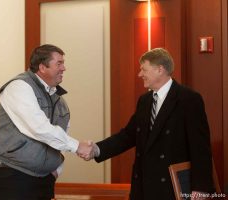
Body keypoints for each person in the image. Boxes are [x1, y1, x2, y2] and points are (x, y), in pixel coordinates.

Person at [82, 48, 215, 200]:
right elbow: (128, 135)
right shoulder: (144, 101)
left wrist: (201, 188)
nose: (140, 74)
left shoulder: (188, 99)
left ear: (160, 69)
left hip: (171, 189)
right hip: (144, 187)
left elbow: (200, 147)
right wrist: (97, 149)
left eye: (143, 69)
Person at [0, 44, 92, 200]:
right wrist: (77, 146)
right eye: (59, 63)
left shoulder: (60, 101)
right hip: (13, 180)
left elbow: (60, 138)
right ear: (42, 67)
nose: (64, 68)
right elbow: (38, 128)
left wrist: (55, 172)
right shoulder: (19, 87)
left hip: (44, 183)